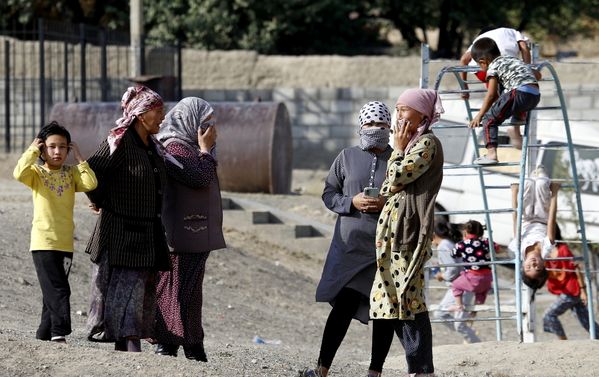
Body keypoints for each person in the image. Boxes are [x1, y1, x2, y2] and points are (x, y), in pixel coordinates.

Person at [300, 101, 393, 377]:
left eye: (382, 124)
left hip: (385, 248)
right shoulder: (346, 156)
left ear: (390, 127)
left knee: (383, 311)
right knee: (343, 307)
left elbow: (407, 197)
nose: (376, 129)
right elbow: (329, 194)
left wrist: (385, 202)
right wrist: (351, 201)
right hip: (350, 247)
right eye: (370, 124)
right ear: (360, 127)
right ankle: (321, 370)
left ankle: (374, 372)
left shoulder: (399, 157)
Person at [85, 85, 170, 352]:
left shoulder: (152, 148)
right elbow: (91, 173)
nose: (163, 117)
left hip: (147, 230)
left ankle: (126, 342)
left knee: (139, 288)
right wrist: (99, 200)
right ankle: (129, 340)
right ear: (142, 114)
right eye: (158, 112)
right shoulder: (118, 143)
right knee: (126, 288)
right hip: (121, 231)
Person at [369, 88, 444, 377]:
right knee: (387, 297)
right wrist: (398, 158)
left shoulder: (426, 143)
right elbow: (389, 186)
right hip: (393, 230)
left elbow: (398, 176)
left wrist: (398, 151)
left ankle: (422, 369)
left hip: (410, 229)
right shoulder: (413, 142)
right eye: (397, 108)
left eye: (404, 109)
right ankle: (395, 368)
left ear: (422, 114)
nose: (398, 114)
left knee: (407, 297)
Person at [152, 97, 226, 361]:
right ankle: (172, 343)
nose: (210, 129)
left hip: (194, 232)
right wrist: (205, 150)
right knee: (178, 289)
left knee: (189, 292)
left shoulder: (190, 148)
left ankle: (188, 344)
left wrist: (205, 150)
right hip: (181, 234)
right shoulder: (175, 147)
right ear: (189, 122)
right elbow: (199, 177)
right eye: (205, 124)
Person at [13, 121, 97, 343]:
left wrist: (80, 159)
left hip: (65, 244)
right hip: (43, 243)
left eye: (62, 146)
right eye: (51, 146)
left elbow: (90, 183)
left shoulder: (71, 174)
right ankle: (59, 333)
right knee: (60, 290)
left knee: (52, 292)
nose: (57, 151)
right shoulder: (37, 174)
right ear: (43, 149)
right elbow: (18, 172)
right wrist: (32, 150)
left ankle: (44, 334)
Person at [468, 37, 541, 163]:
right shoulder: (512, 59)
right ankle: (519, 117)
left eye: (479, 66)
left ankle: (491, 155)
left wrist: (480, 115)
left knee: (489, 119)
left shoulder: (493, 67)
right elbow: (534, 75)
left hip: (519, 92)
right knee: (509, 97)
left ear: (483, 62)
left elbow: (491, 94)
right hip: (535, 95)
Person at [509, 165, 560, 291]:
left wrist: (514, 193)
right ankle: (540, 170)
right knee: (542, 183)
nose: (532, 263)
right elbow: (551, 220)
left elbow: (516, 221)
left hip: (524, 218)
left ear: (523, 266)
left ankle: (532, 173)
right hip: (543, 217)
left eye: (528, 267)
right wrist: (554, 193)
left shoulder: (518, 249)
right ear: (543, 265)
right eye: (537, 267)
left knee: (526, 183)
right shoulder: (546, 249)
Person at [543, 225, 599, 340]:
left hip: (571, 291)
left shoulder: (563, 249)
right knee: (586, 322)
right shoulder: (546, 252)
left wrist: (583, 290)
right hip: (564, 291)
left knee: (549, 315)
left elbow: (576, 268)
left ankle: (563, 340)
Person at [431, 221, 480, 343]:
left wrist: (442, 275)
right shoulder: (448, 244)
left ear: (433, 234)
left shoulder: (443, 246)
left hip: (461, 287)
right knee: (442, 315)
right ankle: (470, 334)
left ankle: (477, 344)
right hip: (460, 286)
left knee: (442, 316)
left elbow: (453, 269)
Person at [460, 27, 532, 93]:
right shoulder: (512, 32)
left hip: (482, 72)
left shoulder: (480, 39)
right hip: (506, 69)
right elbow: (524, 47)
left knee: (493, 89)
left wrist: (464, 88)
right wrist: (527, 67)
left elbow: (464, 59)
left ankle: (494, 101)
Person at [448, 220, 493, 313]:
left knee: (455, 285)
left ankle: (459, 305)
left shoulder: (462, 244)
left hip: (473, 278)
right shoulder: (486, 241)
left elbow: (453, 254)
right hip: (487, 278)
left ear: (465, 232)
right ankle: (476, 309)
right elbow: (497, 248)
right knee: (481, 292)